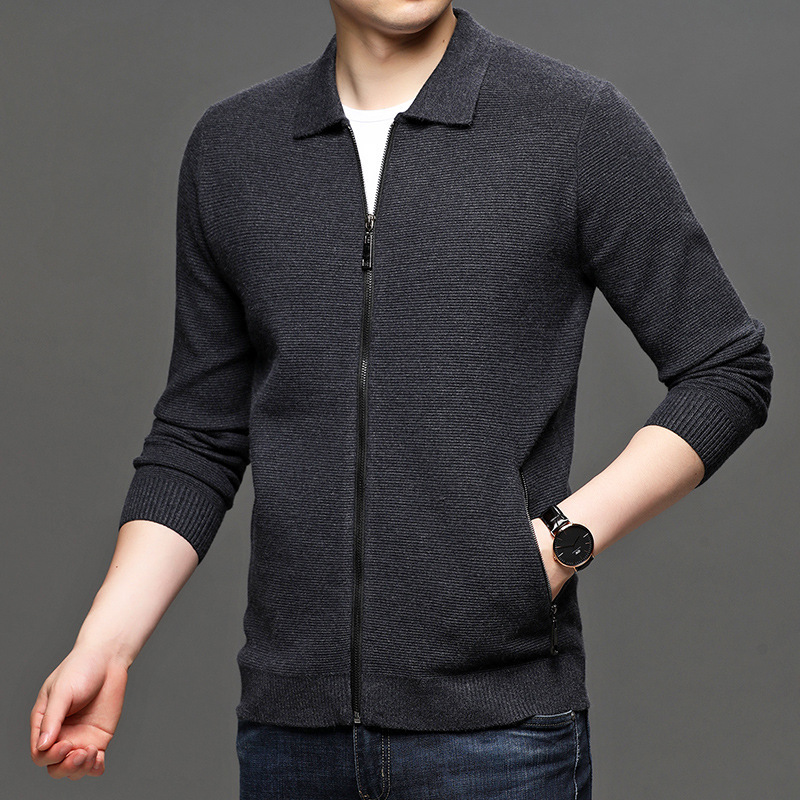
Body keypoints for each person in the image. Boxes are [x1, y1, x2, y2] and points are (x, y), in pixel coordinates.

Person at [29, 2, 773, 797]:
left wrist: (558, 546)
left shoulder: (572, 124)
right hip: (290, 739)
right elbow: (198, 437)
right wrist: (105, 644)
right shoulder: (233, 150)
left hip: (498, 740)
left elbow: (726, 367)